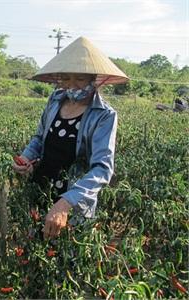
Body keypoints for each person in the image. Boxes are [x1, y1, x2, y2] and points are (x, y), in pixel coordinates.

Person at [12, 36, 129, 239]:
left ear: (94, 80)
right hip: (41, 188)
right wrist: (26, 159)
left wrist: (65, 202)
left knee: (67, 256)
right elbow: (40, 138)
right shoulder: (55, 100)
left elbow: (102, 169)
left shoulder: (104, 115)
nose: (72, 84)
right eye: (66, 78)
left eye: (80, 79)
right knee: (36, 250)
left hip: (73, 200)